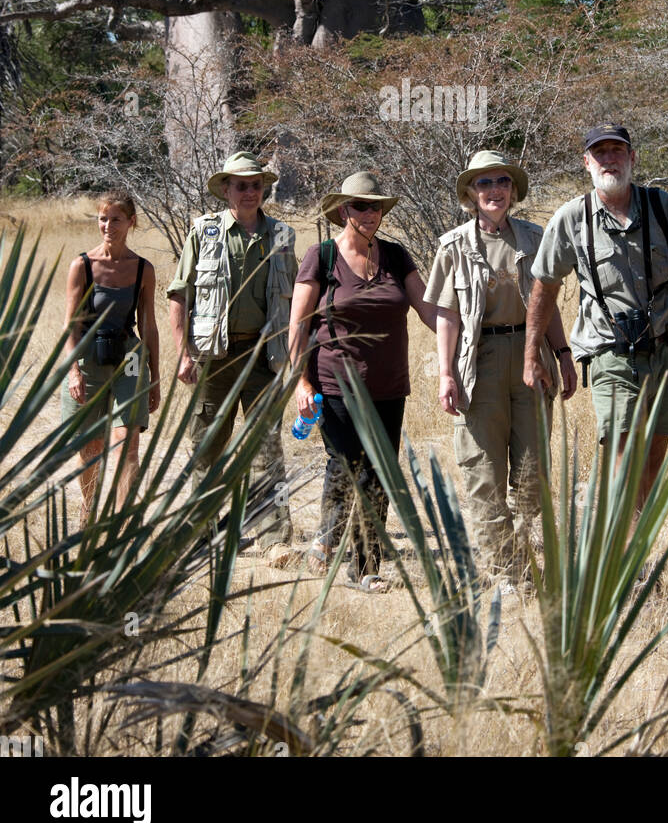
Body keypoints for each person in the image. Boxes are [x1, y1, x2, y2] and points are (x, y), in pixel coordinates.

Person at [525, 125, 668, 515]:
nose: (609, 159)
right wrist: (532, 353)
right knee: (622, 454)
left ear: (633, 158)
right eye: (600, 153)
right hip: (610, 355)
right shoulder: (571, 218)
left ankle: (636, 548)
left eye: (617, 151)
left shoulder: (660, 206)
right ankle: (617, 552)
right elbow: (544, 287)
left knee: (652, 458)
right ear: (587, 162)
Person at [424, 151, 576, 594]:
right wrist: (446, 374)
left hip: (532, 359)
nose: (495, 190)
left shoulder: (535, 236)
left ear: (513, 190)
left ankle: (532, 560)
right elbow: (447, 315)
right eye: (485, 183)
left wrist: (563, 354)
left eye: (502, 182)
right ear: (471, 193)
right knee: (482, 471)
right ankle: (508, 574)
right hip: (480, 360)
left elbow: (547, 304)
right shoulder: (454, 244)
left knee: (533, 471)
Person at [290, 172, 437, 593]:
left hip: (389, 385)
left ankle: (361, 562)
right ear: (343, 211)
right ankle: (338, 548)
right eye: (360, 206)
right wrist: (301, 382)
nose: (369, 214)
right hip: (334, 381)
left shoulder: (396, 256)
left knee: (380, 471)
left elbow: (427, 309)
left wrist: (464, 325)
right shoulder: (320, 257)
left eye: (375, 206)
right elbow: (298, 324)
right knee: (345, 465)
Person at [167, 153, 298, 567]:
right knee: (206, 447)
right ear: (226, 190)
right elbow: (179, 294)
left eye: (255, 184)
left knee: (267, 447)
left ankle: (274, 537)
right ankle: (203, 534)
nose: (248, 191)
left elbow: (295, 297)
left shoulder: (282, 235)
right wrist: (182, 352)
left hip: (264, 356)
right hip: (214, 357)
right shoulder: (203, 232)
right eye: (240, 185)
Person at [62, 190, 160, 525]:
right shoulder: (82, 265)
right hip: (88, 358)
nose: (108, 225)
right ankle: (87, 515)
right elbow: (70, 325)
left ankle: (122, 522)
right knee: (91, 446)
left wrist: (154, 376)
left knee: (127, 443)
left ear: (131, 222)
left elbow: (149, 326)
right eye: (103, 218)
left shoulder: (143, 269)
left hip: (128, 358)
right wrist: (73, 371)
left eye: (115, 219)